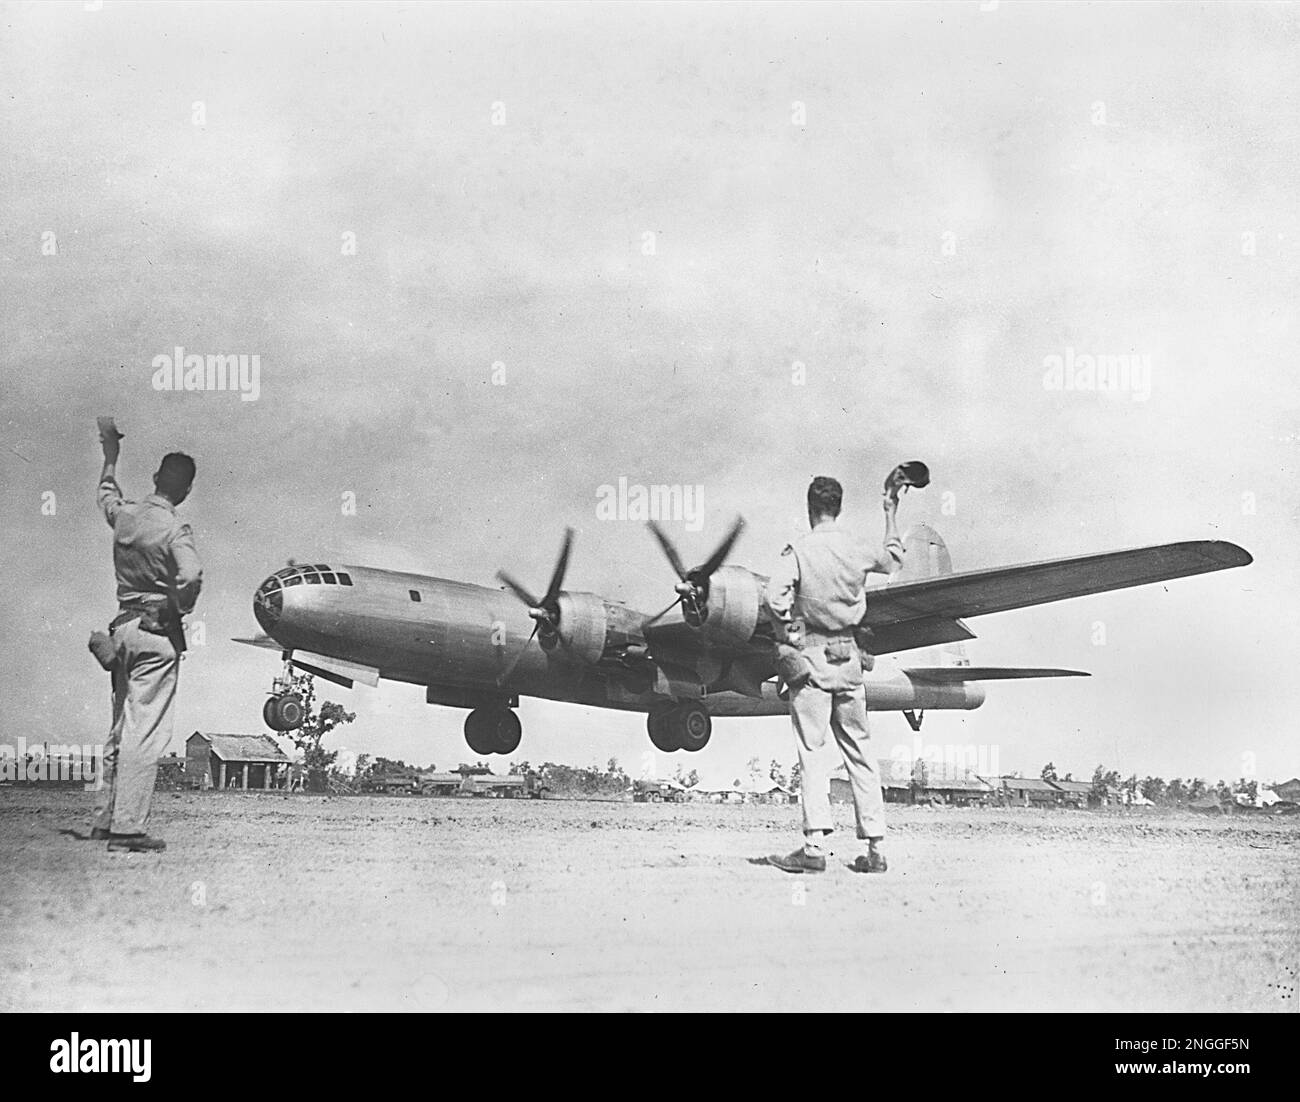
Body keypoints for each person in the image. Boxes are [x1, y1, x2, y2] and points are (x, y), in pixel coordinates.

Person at [764, 475, 905, 873]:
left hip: (811, 661)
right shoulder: (857, 546)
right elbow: (894, 559)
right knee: (860, 753)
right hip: (851, 662)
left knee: (813, 753)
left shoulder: (799, 549)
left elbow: (774, 597)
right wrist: (890, 512)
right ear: (839, 507)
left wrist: (787, 632)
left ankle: (813, 848)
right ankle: (876, 850)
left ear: (810, 509)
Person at [92, 425, 202, 852]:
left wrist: (111, 454)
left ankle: (104, 818)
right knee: (146, 730)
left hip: (120, 629)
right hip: (156, 634)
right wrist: (177, 607)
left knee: (120, 726)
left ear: (156, 478)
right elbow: (190, 574)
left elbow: (106, 492)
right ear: (187, 490)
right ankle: (128, 830)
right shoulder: (176, 529)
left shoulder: (126, 514)